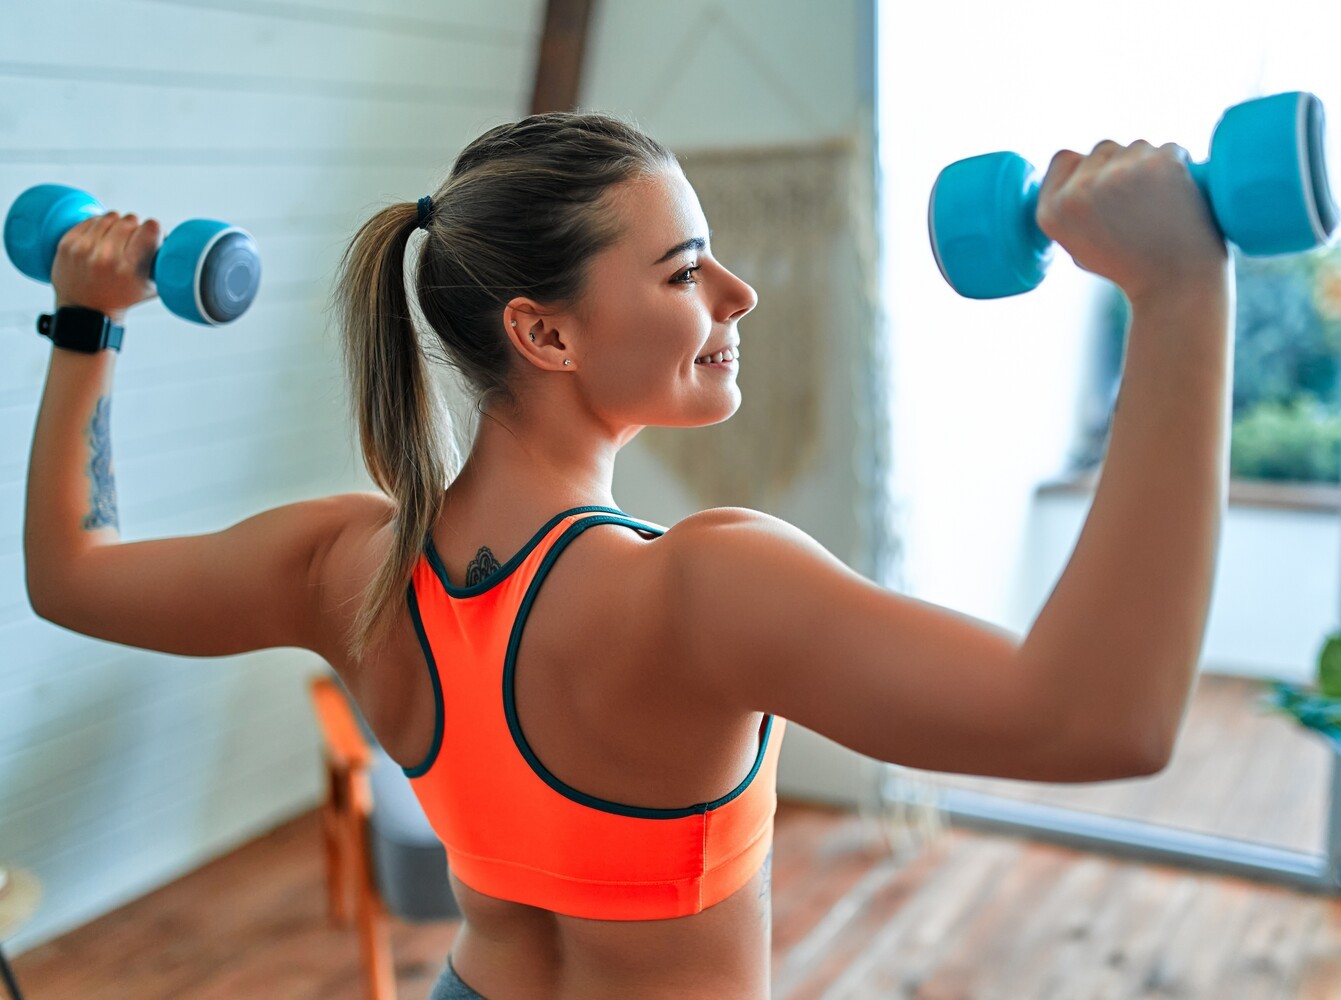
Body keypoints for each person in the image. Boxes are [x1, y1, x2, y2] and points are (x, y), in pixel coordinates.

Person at [22, 111, 1231, 999]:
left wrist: (88, 323)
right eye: (685, 268)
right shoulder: (703, 587)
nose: (739, 293)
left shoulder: (346, 562)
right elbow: (1099, 718)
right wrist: (1178, 293)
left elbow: (69, 571)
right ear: (543, 332)